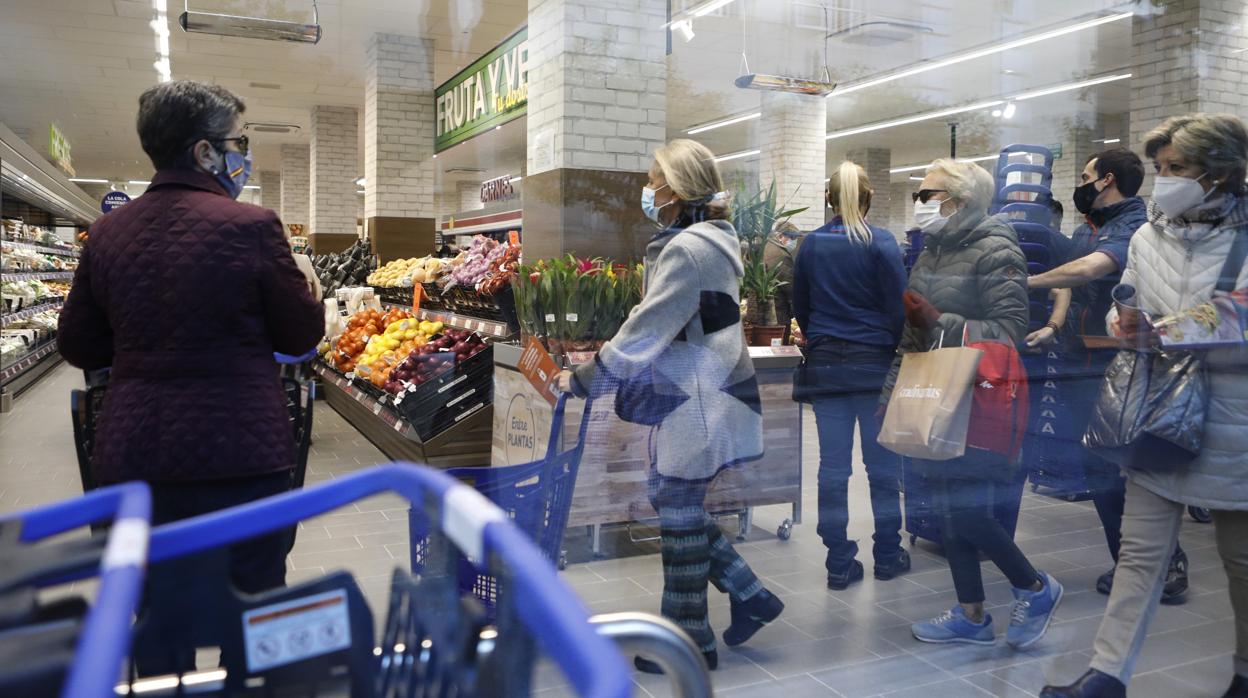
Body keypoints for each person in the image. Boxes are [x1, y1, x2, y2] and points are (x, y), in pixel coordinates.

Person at [57, 80, 324, 670]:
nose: (243, 155)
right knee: (253, 606)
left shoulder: (105, 235)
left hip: (136, 454)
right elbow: (300, 337)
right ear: (205, 152)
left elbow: (77, 343)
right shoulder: (252, 227)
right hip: (243, 453)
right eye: (238, 142)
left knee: (156, 610)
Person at [555, 139, 783, 673]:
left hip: (699, 398)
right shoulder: (712, 240)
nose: (648, 189)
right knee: (673, 499)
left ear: (677, 190)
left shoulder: (685, 250)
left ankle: (690, 642)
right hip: (706, 390)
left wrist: (585, 378)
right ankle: (751, 596)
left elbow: (645, 330)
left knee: (678, 508)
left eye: (654, 179)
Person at [1042, 114, 1248, 698]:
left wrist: (1162, 331)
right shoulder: (1147, 235)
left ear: (1220, 172)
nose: (1165, 180)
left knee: (1241, 560)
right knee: (1138, 552)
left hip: (1236, 424)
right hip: (1155, 410)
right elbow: (1122, 302)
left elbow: (1242, 316)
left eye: (1177, 168)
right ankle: (1106, 674)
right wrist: (1124, 322)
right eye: (1160, 169)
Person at [884, 159, 1064, 648]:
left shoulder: (996, 248)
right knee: (945, 509)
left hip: (977, 399)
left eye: (927, 195)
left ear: (958, 201)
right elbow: (912, 336)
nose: (919, 205)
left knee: (965, 510)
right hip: (935, 396)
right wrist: (894, 395)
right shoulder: (932, 250)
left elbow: (1008, 333)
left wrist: (940, 318)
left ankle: (1035, 586)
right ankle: (972, 614)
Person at [1028, 149, 1189, 605]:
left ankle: (1167, 563)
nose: (1079, 183)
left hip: (1125, 363)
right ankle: (1128, 563)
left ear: (1107, 180)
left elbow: (1090, 269)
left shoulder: (1135, 224)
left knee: (1130, 467)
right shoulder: (1087, 227)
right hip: (1084, 362)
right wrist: (1054, 326)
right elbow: (1071, 283)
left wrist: (1025, 282)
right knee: (1099, 468)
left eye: (1085, 176)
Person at [792, 161, 909, 589]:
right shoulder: (882, 243)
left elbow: (799, 305)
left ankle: (838, 559)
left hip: (826, 364)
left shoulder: (811, 245)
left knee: (833, 466)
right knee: (881, 466)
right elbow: (900, 307)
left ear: (828, 198)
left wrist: (823, 335)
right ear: (869, 197)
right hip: (874, 363)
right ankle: (887, 553)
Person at [764, 220, 803, 336]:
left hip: (763, 314)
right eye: (792, 237)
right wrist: (799, 314)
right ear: (780, 236)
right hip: (778, 315)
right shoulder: (781, 256)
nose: (794, 241)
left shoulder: (765, 248)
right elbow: (790, 288)